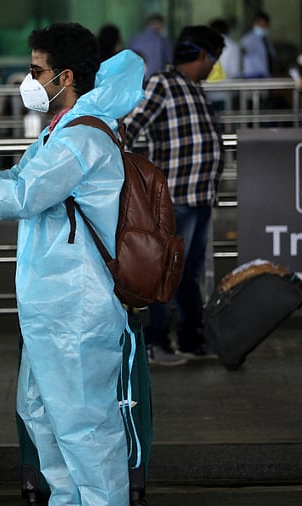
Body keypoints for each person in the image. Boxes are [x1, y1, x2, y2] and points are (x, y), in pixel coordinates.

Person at [0, 23, 146, 504]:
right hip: (54, 308)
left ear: (64, 76)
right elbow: (17, 178)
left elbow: (19, 196)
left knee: (84, 426)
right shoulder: (60, 133)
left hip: (77, 308)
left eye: (35, 70)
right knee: (45, 417)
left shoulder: (80, 141)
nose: (29, 80)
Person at [122, 26, 225, 366]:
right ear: (203, 56)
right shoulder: (162, 84)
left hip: (199, 197)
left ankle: (191, 339)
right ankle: (156, 342)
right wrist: (134, 178)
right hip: (177, 198)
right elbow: (130, 127)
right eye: (214, 60)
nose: (213, 67)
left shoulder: (194, 89)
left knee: (189, 274)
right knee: (164, 271)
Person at [129, 13, 173, 81]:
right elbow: (170, 63)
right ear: (160, 25)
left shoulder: (134, 40)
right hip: (157, 83)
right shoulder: (163, 41)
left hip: (136, 82)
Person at [240, 11, 276, 78]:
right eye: (261, 25)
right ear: (255, 24)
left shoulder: (266, 40)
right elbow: (242, 51)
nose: (263, 28)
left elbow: (271, 56)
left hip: (265, 74)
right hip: (252, 75)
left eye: (265, 26)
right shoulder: (248, 39)